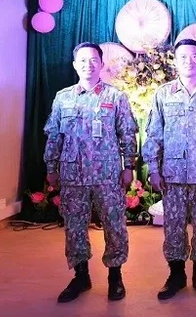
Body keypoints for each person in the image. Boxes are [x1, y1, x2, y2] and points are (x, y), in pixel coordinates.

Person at [44, 42, 138, 303]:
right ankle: (81, 276)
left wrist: (128, 166)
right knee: (74, 227)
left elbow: (127, 134)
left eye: (94, 60)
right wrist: (51, 167)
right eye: (83, 61)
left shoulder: (115, 97)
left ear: (102, 63)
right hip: (73, 174)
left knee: (114, 225)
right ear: (75, 65)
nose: (89, 64)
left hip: (107, 174)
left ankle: (115, 277)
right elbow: (54, 136)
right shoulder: (63, 97)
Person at [143, 38, 196, 300]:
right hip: (173, 175)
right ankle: (176, 275)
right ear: (175, 61)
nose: (189, 61)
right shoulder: (163, 94)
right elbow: (154, 134)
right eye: (183, 57)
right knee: (174, 227)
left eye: (194, 56)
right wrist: (154, 169)